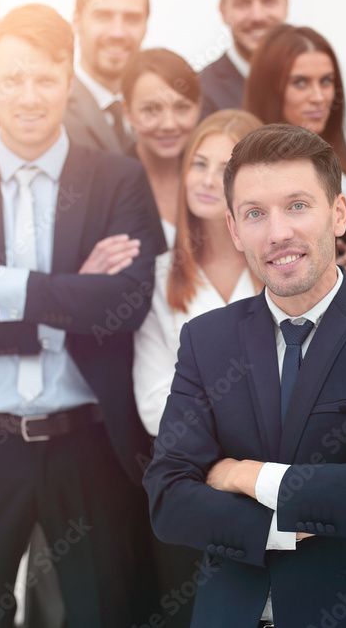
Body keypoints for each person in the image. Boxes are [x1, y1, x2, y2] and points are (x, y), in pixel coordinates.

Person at [0, 4, 164, 627]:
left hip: (91, 442)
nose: (29, 96)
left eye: (45, 79)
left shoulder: (117, 180)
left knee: (105, 614)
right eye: (13, 78)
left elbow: (124, 306)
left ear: (68, 81)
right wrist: (66, 305)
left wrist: (0, 286)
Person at [143, 123, 346, 627]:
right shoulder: (206, 339)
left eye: (298, 206)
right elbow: (169, 497)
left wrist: (241, 475)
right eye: (255, 214)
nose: (278, 232)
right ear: (235, 227)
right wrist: (305, 509)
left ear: (338, 214)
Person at [132, 109, 262, 628]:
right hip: (195, 490)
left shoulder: (286, 267)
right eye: (199, 163)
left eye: (226, 166)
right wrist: (227, 456)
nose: (208, 180)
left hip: (280, 484)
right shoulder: (161, 276)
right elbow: (153, 402)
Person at [244, 23, 346, 261]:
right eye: (300, 83)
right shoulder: (250, 173)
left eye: (325, 82)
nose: (318, 97)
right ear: (270, 90)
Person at [122, 48, 203, 248]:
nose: (169, 124)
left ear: (198, 107)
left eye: (182, 107)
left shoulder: (217, 176)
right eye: (151, 110)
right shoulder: (107, 186)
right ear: (127, 112)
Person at [64, 0, 149, 154]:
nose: (117, 33)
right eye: (103, 16)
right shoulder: (56, 108)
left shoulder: (161, 110)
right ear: (77, 22)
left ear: (146, 26)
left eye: (132, 18)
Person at [198, 0, 288, 116]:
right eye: (242, 3)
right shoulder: (200, 93)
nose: (257, 16)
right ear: (223, 12)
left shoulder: (314, 82)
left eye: (269, 1)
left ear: (286, 5)